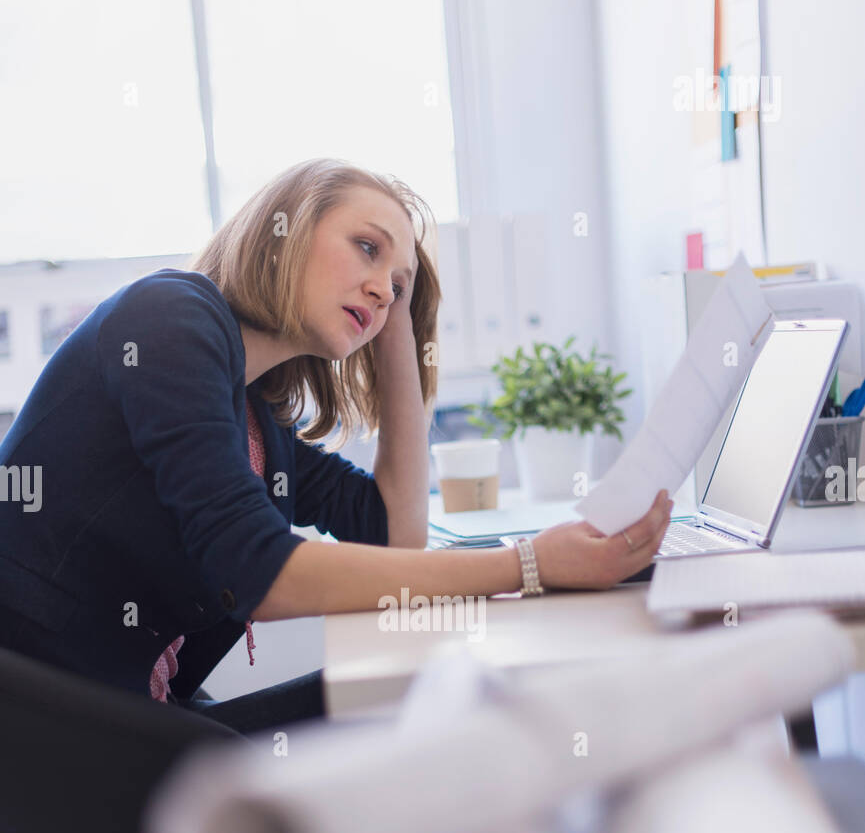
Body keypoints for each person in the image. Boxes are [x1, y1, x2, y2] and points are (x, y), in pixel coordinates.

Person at [0, 158, 672, 735]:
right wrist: (528, 564)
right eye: (367, 248)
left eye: (397, 284)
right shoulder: (168, 318)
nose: (381, 288)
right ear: (282, 230)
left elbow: (397, 535)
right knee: (425, 690)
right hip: (65, 743)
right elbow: (261, 573)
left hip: (134, 719)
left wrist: (398, 328)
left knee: (430, 678)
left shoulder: (258, 420)